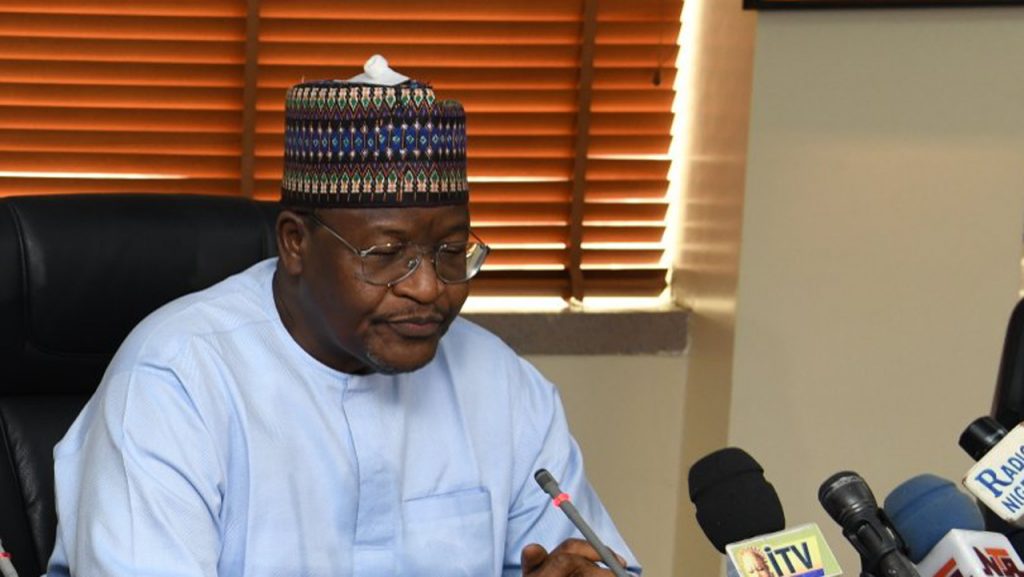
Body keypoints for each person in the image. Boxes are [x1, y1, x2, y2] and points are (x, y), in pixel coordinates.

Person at [45, 57, 639, 577]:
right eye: (387, 255)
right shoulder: (176, 383)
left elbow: (588, 555)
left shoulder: (501, 385)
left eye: (452, 251)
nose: (429, 287)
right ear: (295, 243)